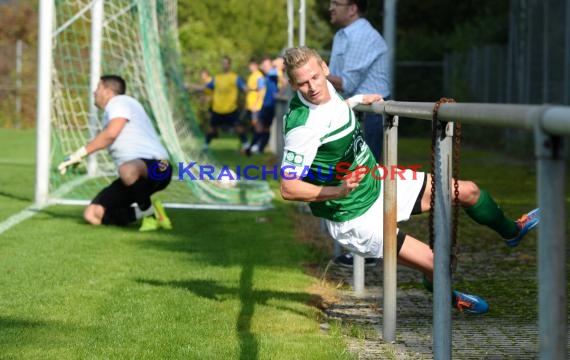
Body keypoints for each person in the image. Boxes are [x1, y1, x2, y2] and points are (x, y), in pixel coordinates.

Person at [279, 46, 540, 314]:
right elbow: (289, 187)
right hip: (353, 215)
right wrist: (337, 190)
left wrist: (355, 101)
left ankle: (513, 231)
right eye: (302, 83)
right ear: (293, 84)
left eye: (315, 78)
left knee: (468, 191)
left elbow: (331, 114)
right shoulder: (302, 127)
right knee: (441, 264)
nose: (312, 87)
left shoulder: (328, 92)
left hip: (378, 181)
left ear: (324, 68)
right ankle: (449, 296)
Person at [57, 75, 173, 232]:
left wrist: (79, 154)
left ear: (107, 90)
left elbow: (111, 134)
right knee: (93, 215)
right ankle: (152, 212)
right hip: (134, 177)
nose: (94, 92)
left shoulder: (119, 102)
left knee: (126, 170)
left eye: (98, 88)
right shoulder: (115, 109)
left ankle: (148, 213)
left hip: (159, 167)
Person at [327, 0, 391, 163]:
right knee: (347, 175)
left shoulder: (362, 35)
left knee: (365, 176)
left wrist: (313, 73)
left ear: (352, 9)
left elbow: (346, 84)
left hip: (372, 114)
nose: (330, 8)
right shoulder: (342, 35)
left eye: (336, 4)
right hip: (355, 110)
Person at [192, 56, 249, 152]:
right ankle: (205, 145)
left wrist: (251, 90)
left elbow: (244, 87)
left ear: (230, 65)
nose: (224, 65)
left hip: (231, 109)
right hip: (217, 109)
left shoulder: (234, 77)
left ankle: (246, 145)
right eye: (223, 63)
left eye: (226, 63)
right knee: (212, 129)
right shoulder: (217, 78)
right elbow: (204, 87)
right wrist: (190, 86)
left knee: (238, 128)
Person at [246, 56, 279, 155]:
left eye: (265, 65)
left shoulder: (273, 73)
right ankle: (259, 149)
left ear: (270, 65)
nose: (263, 67)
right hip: (267, 104)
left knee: (259, 126)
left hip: (269, 105)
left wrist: (273, 64)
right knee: (264, 127)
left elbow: (281, 79)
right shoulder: (267, 76)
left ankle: (252, 148)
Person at [245, 57, 266, 147]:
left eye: (252, 66)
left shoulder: (259, 76)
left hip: (256, 106)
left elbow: (261, 90)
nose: (250, 68)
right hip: (250, 105)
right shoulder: (251, 76)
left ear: (256, 66)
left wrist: (256, 104)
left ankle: (257, 144)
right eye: (250, 66)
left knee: (257, 125)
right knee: (253, 125)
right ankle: (254, 144)